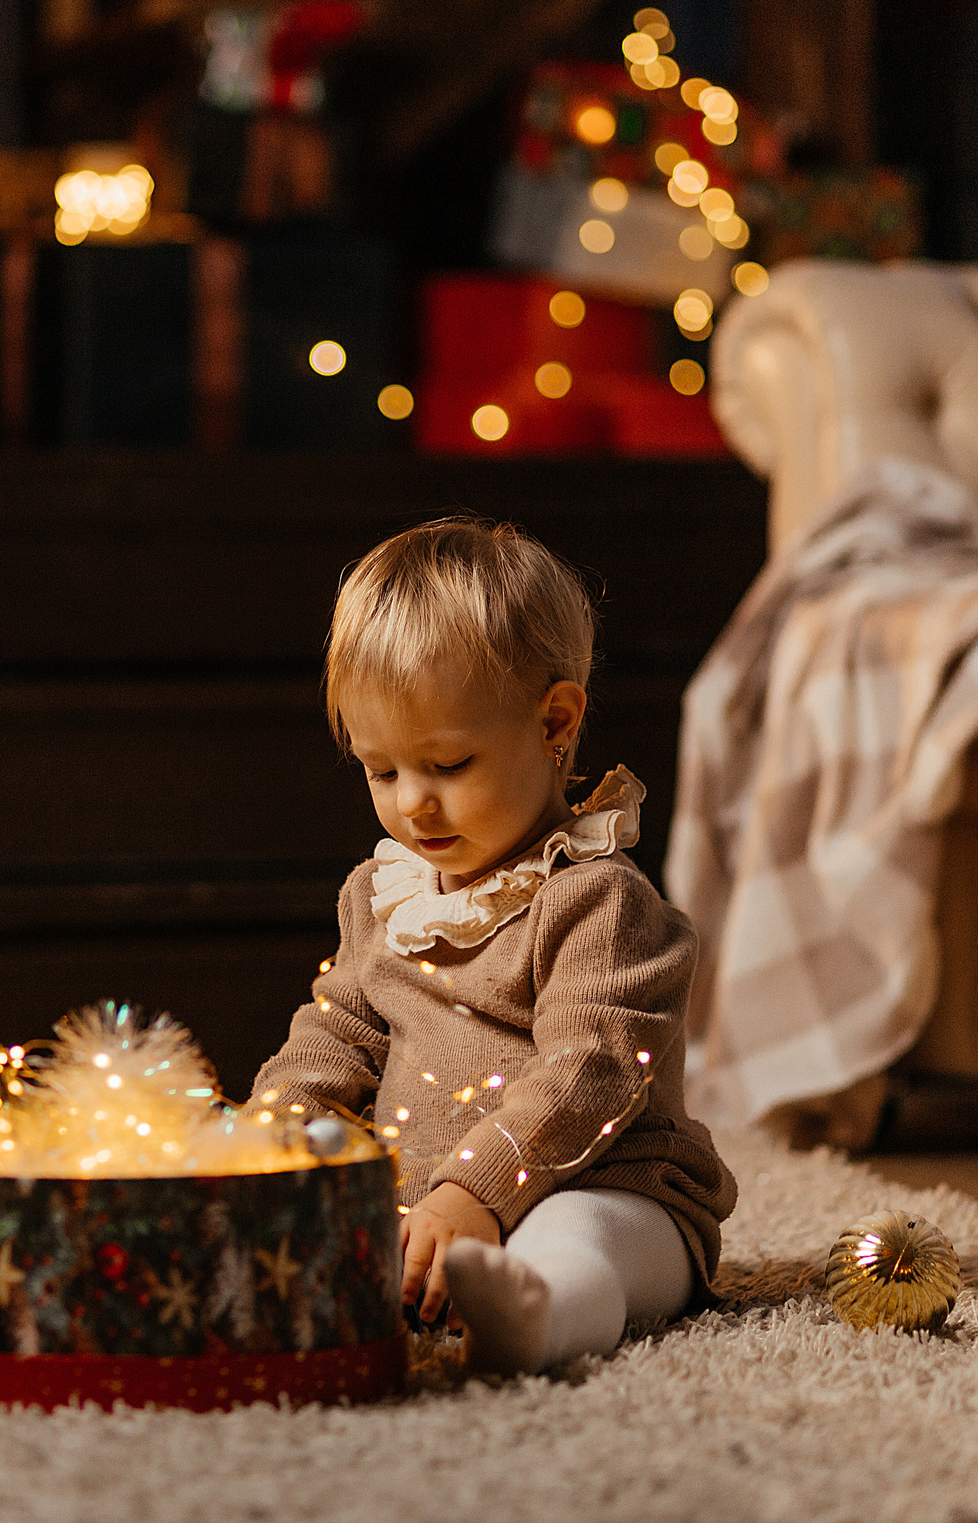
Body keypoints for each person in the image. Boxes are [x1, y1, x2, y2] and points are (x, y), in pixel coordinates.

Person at [251, 519, 736, 1373]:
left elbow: (593, 1071)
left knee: (580, 1237)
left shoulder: (596, 899)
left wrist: (477, 1188)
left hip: (607, 1184)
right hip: (430, 1208)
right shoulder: (380, 895)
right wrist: (276, 1137)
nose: (414, 806)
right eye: (382, 770)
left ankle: (542, 1315)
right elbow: (334, 1034)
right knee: (299, 1195)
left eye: (449, 764)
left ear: (555, 721)